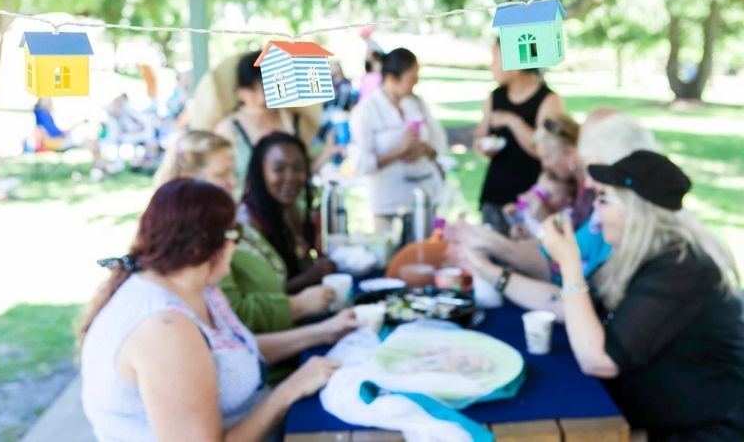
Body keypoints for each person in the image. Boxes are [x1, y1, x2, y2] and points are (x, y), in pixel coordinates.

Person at [80, 178, 359, 441]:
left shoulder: (197, 286)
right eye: (234, 233)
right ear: (204, 245)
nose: (237, 245)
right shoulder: (163, 329)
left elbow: (235, 351)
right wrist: (291, 389)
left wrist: (323, 332)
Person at [541, 150, 744, 439]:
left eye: (604, 199)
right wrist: (488, 271)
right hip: (652, 416)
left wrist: (570, 264)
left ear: (635, 211)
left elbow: (599, 360)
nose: (595, 210)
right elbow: (574, 308)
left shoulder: (682, 267)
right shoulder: (638, 253)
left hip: (702, 430)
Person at [449, 112, 660, 314]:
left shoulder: (607, 214)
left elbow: (562, 270)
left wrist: (492, 248)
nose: (587, 180)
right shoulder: (590, 196)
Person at [153, 131, 335, 335]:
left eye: (233, 172)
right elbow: (231, 315)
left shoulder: (229, 224)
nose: (232, 181)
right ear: (188, 180)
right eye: (221, 174)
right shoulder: (196, 239)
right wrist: (299, 306)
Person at [351, 48, 448, 231]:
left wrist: (424, 149)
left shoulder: (416, 103)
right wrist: (399, 150)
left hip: (424, 198)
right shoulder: (367, 111)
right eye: (412, 78)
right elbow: (361, 164)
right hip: (388, 205)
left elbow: (440, 141)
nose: (416, 83)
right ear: (391, 78)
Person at [474, 39, 564, 233]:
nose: (491, 66)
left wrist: (513, 122)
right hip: (495, 195)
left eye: (495, 59)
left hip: (532, 199)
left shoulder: (548, 100)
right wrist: (484, 147)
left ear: (514, 63)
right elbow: (479, 138)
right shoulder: (494, 97)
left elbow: (547, 150)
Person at [240, 132, 336, 295]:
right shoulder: (248, 221)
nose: (290, 177)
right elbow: (260, 297)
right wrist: (310, 276)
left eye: (298, 168)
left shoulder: (292, 208)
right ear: (260, 172)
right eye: (279, 169)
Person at [214, 51, 324, 192]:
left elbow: (305, 168)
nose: (262, 98)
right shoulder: (228, 128)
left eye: (267, 88)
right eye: (252, 90)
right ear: (239, 91)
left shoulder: (294, 121)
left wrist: (327, 153)